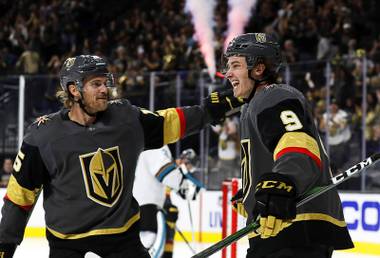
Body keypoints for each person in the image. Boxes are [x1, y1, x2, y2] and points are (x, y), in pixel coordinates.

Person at [0, 55, 243, 258]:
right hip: (67, 241)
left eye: (106, 82)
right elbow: (19, 197)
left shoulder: (126, 119)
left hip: (122, 236)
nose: (105, 89)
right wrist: (5, 245)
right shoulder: (43, 136)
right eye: (96, 84)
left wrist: (209, 110)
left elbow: (171, 121)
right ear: (74, 90)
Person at [223, 33, 353, 258]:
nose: (228, 74)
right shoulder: (252, 106)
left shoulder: (274, 96)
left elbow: (297, 145)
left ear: (259, 69)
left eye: (235, 65)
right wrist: (251, 193)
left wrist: (280, 185)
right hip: (283, 230)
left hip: (294, 227)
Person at [133, 145, 202, 258]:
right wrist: (188, 188)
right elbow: (165, 173)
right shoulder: (156, 145)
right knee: (147, 242)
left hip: (140, 205)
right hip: (147, 206)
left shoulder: (141, 143)